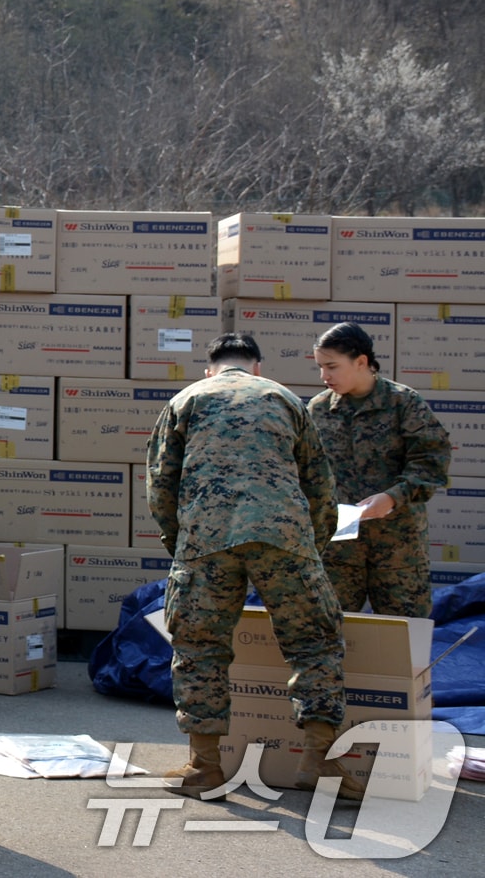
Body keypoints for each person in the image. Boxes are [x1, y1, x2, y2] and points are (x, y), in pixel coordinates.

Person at [146, 332, 365, 802]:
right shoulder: (284, 398)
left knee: (199, 647)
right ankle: (319, 762)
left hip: (206, 538)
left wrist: (179, 542)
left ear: (211, 369)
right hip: (282, 535)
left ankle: (205, 767)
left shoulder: (186, 399)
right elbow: (320, 483)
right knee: (315, 642)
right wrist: (312, 544)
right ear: (256, 368)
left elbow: (161, 483)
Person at [310, 321, 452, 618]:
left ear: (361, 362)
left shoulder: (403, 403)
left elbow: (431, 461)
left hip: (398, 547)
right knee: (327, 631)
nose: (325, 376)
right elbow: (306, 471)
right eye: (320, 367)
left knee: (405, 635)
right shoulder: (319, 410)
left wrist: (392, 497)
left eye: (332, 367)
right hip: (339, 549)